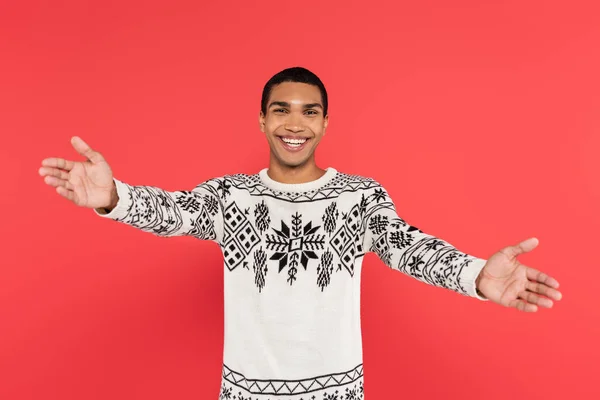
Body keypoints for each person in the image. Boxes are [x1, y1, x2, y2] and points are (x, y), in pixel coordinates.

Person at [38, 66, 562, 400]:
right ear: (262, 122)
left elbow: (409, 248)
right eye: (281, 110)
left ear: (326, 123)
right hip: (246, 393)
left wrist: (476, 276)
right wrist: (112, 197)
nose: (295, 123)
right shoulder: (230, 197)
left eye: (309, 111)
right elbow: (170, 212)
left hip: (337, 392)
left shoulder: (361, 196)